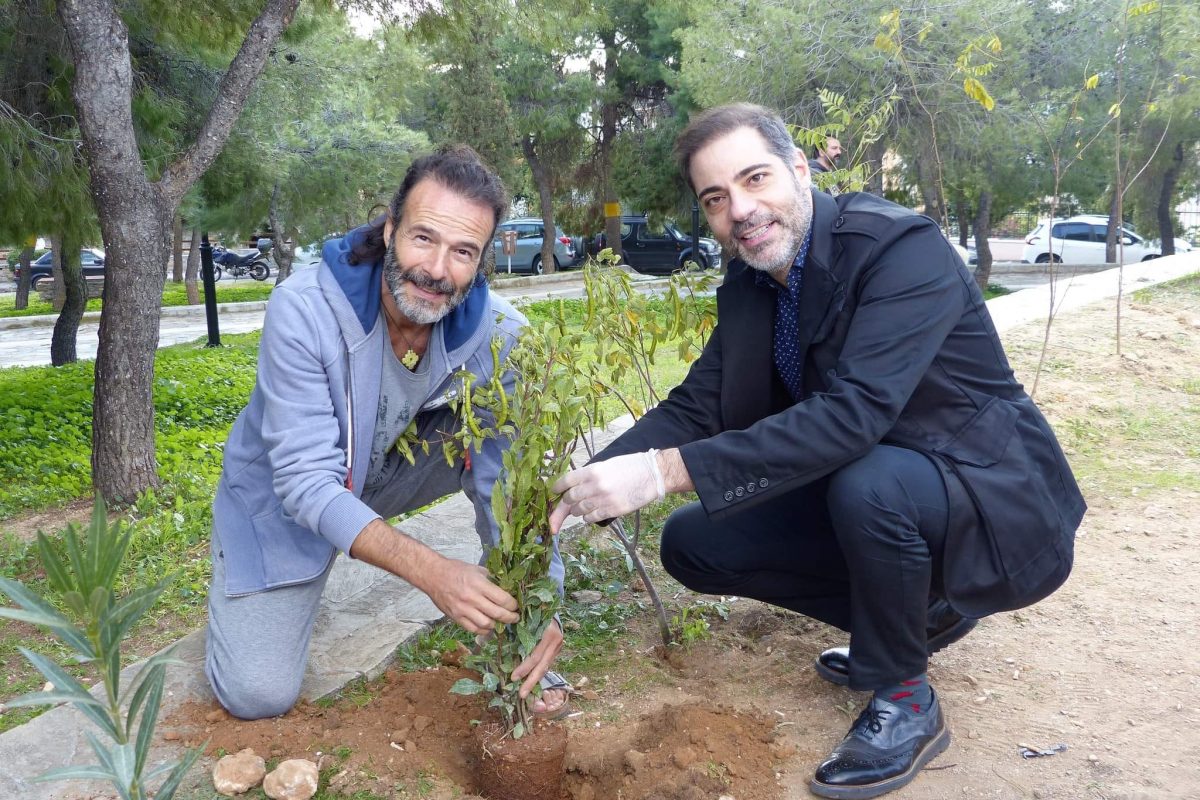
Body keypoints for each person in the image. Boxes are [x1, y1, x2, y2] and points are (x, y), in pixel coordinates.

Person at [550, 104, 1083, 799]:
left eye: (755, 179)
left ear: (799, 169)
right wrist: (582, 485)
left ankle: (906, 696)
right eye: (716, 199)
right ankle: (920, 616)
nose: (740, 210)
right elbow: (699, 404)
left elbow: (854, 415)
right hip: (885, 489)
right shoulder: (752, 283)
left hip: (996, 504)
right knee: (695, 541)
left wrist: (661, 472)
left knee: (868, 480)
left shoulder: (899, 248)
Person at [206, 145, 568, 721]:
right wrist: (433, 572)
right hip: (283, 500)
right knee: (257, 694)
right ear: (390, 226)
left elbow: (514, 487)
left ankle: (500, 618)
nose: (437, 270)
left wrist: (537, 601)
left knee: (503, 457)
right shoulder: (303, 309)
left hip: (381, 477)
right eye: (424, 238)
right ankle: (255, 571)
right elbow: (305, 483)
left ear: (482, 261)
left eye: (463, 252)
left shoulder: (502, 337)